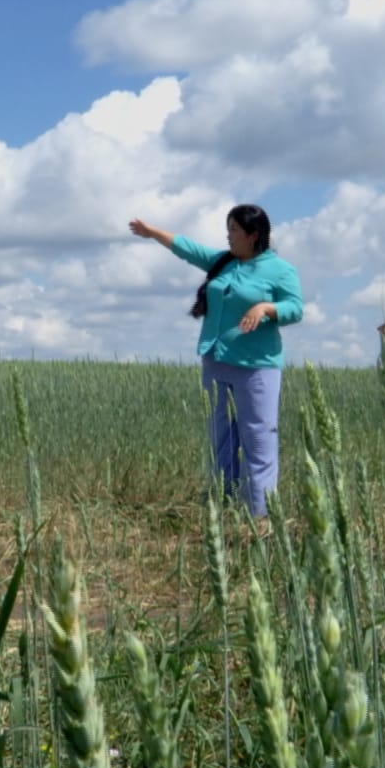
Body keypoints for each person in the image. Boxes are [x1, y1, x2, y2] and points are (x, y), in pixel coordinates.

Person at [128, 206, 303, 527]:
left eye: (234, 230)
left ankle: (259, 514)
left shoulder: (280, 270)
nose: (228, 235)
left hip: (257, 366)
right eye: (228, 228)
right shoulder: (224, 261)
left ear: (253, 236)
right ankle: (222, 503)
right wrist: (152, 232)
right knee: (220, 436)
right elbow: (187, 248)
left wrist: (266, 307)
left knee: (258, 437)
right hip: (216, 359)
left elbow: (295, 308)